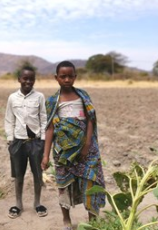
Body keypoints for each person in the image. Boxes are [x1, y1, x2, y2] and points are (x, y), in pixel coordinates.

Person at [41, 61, 106, 230]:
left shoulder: (83, 96)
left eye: (70, 76)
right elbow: (50, 128)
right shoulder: (53, 101)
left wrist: (86, 143)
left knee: (91, 182)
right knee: (63, 185)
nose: (67, 79)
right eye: (63, 76)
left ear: (75, 77)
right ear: (56, 78)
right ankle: (66, 220)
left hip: (87, 151)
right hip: (63, 152)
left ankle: (93, 220)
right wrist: (46, 155)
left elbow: (91, 120)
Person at [4, 66, 48, 219]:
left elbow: (44, 118)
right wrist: (10, 140)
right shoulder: (12, 98)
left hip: (35, 142)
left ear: (34, 80)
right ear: (19, 79)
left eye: (31, 79)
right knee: (19, 175)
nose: (28, 81)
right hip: (18, 142)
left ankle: (37, 203)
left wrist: (42, 141)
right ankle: (18, 204)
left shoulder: (39, 97)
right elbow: (9, 119)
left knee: (38, 174)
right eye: (25, 78)